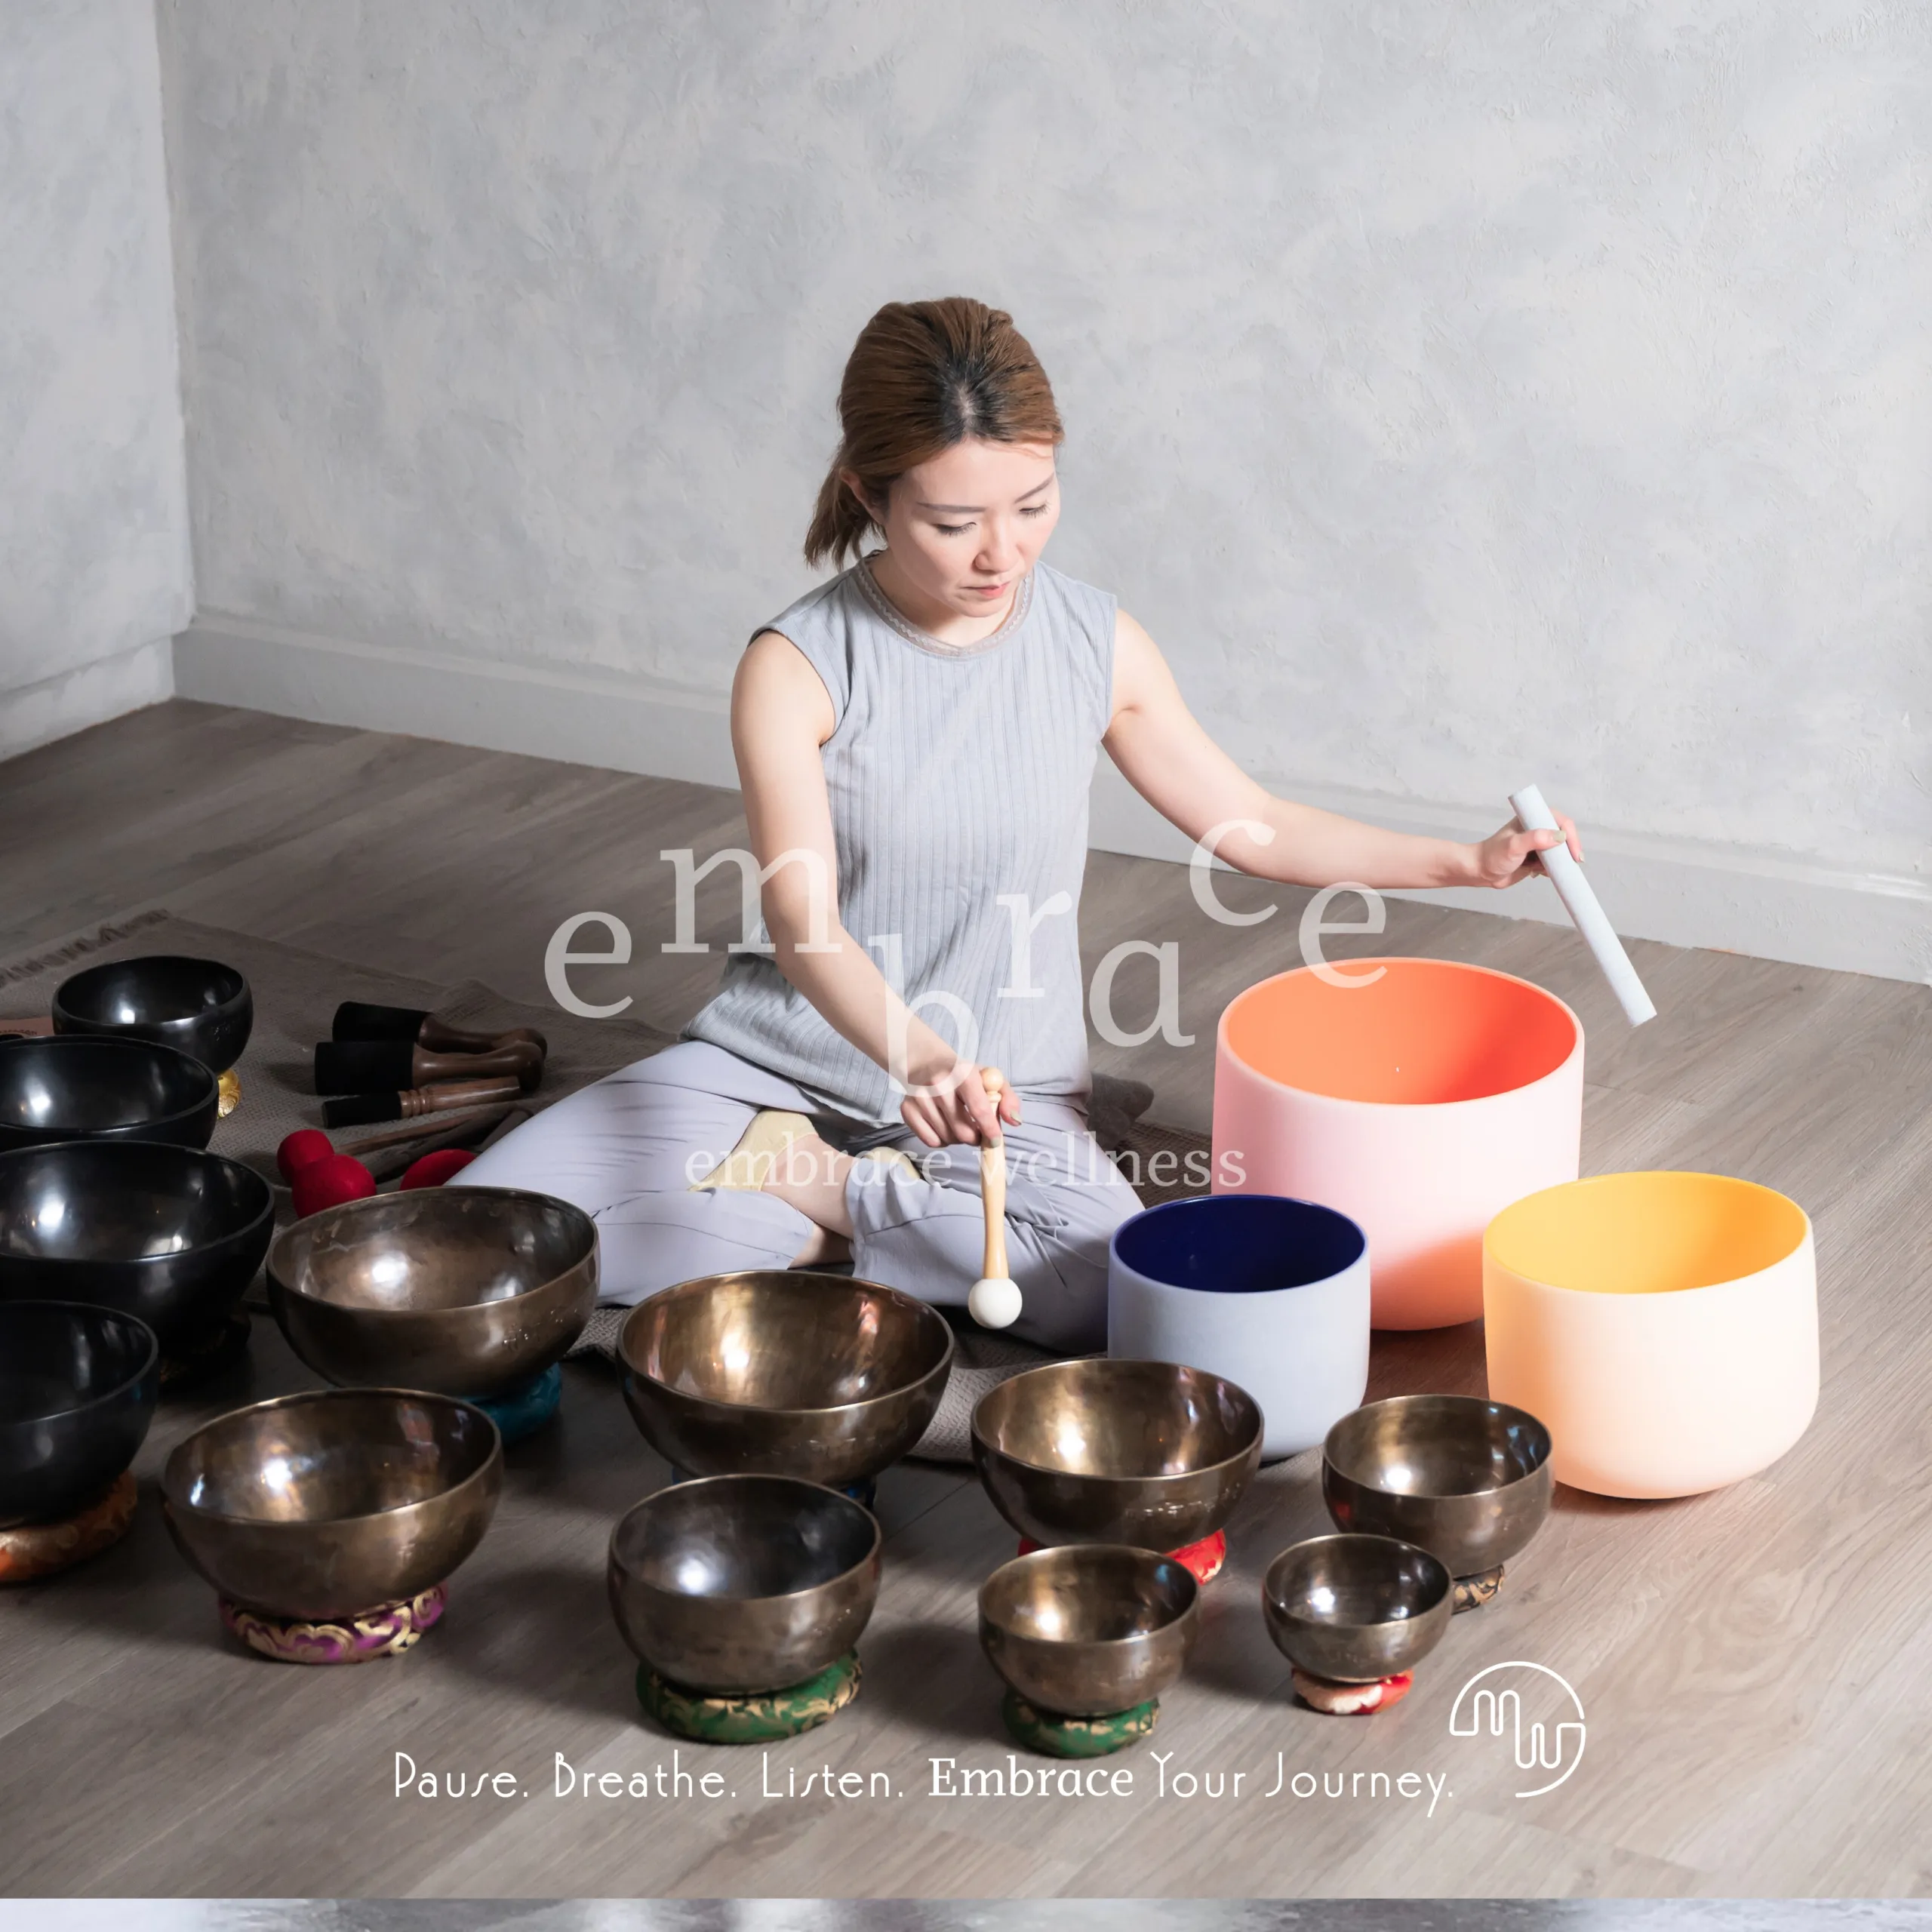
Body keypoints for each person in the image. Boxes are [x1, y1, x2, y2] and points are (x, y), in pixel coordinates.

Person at [460, 297, 1579, 1351]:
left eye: (1033, 505)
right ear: (868, 493)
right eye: (954, 522)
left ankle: (821, 1197)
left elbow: (1254, 826)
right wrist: (918, 1060)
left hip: (1004, 1089)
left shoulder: (1096, 642)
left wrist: (1470, 863)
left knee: (1105, 1282)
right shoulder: (795, 663)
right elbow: (801, 922)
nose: (1003, 553)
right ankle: (806, 1218)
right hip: (777, 1069)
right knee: (479, 1234)